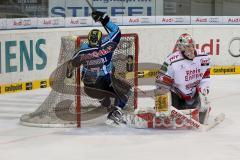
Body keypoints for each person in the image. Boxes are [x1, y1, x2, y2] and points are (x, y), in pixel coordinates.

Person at [66, 11, 131, 126]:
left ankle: (105, 103)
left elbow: (71, 64)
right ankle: (116, 111)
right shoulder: (108, 43)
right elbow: (116, 30)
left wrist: (69, 73)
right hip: (104, 82)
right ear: (101, 39)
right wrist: (104, 19)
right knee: (127, 90)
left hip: (89, 88)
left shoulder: (83, 50)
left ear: (89, 40)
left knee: (97, 88)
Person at [155, 33, 211, 124]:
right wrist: (162, 101)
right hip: (176, 94)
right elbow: (161, 82)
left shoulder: (203, 57)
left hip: (193, 95)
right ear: (181, 48)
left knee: (203, 104)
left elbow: (205, 76)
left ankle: (196, 110)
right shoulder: (172, 60)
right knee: (167, 117)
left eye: (192, 45)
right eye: (188, 47)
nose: (192, 49)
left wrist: (204, 89)